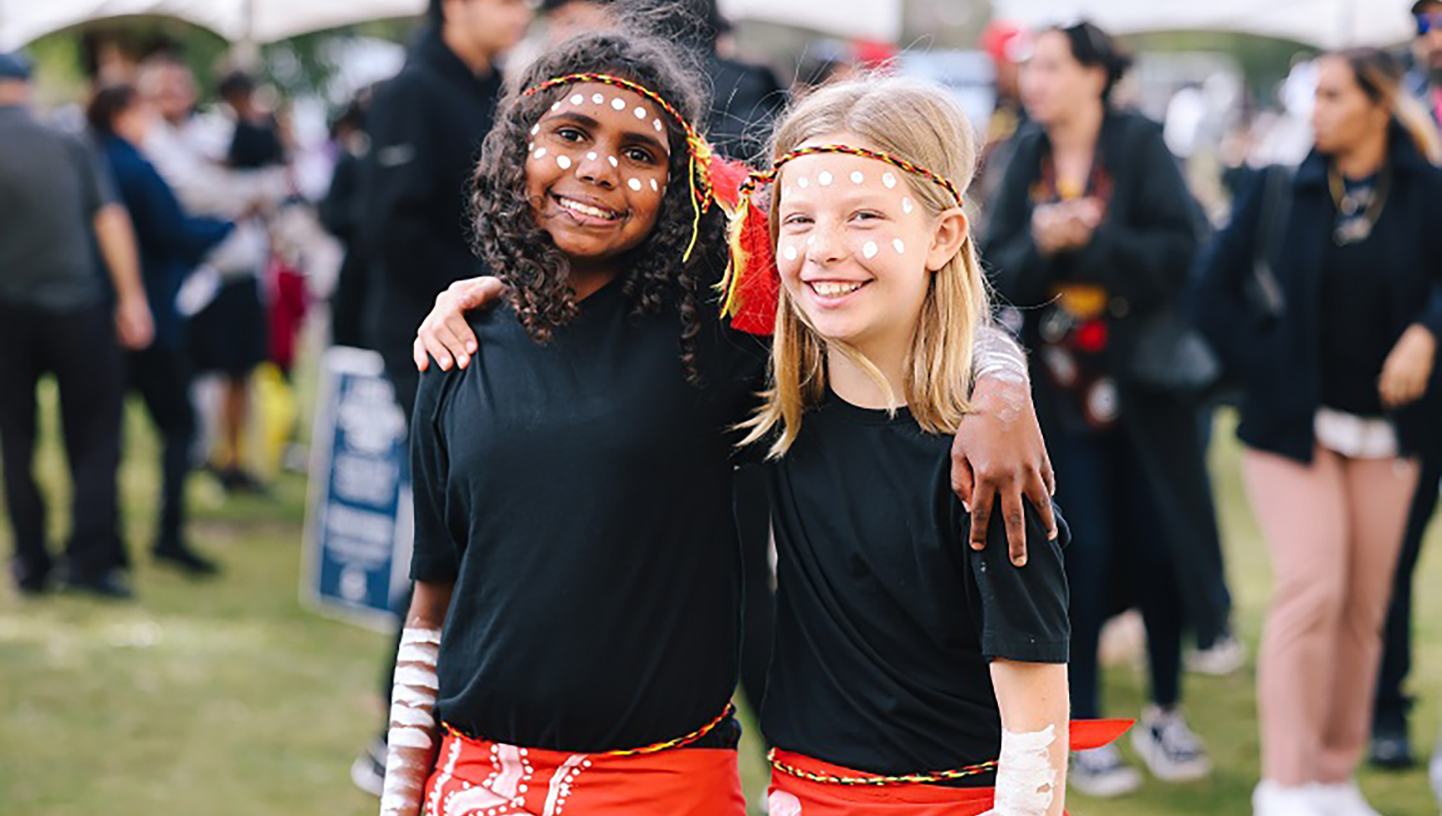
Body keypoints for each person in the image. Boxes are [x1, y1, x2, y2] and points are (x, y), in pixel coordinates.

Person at [390, 29, 1055, 816]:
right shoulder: (459, 348)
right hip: (471, 785)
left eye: (640, 153)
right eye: (570, 135)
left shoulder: (714, 345)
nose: (599, 169)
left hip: (663, 785)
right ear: (513, 149)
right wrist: (403, 795)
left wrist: (1002, 382)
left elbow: (883, 321)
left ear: (680, 188)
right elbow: (431, 605)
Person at [727, 74, 1117, 816]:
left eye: (865, 215)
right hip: (797, 795)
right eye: (800, 220)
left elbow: (1037, 738)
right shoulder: (771, 408)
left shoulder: (988, 465)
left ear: (942, 237)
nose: (824, 251)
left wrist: (999, 377)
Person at [1193, 47, 1442, 816]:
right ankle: (1287, 781)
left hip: (1391, 431)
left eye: (1334, 95)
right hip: (1291, 428)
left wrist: (1428, 331)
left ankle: (1334, 777)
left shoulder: (1429, 192)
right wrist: (1270, 369)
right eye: (1314, 95)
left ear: (1379, 101)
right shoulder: (1279, 187)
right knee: (1314, 586)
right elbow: (1211, 291)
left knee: (1367, 603)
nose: (1317, 109)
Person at [983, 20, 1217, 796]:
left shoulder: (1141, 143)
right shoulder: (1025, 151)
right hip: (1060, 395)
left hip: (1145, 391)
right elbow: (996, 270)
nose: (1035, 81)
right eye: (1029, 68)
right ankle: (1083, 728)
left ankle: (1165, 710)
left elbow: (1182, 252)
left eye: (1050, 66)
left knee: (1159, 551)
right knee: (1081, 554)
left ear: (1094, 75)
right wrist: (1047, 242)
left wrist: (1096, 238)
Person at [347, 0, 536, 796]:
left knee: (488, 521)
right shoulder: (413, 90)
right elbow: (390, 227)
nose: (521, 10)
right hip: (430, 339)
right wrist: (478, 295)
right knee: (451, 531)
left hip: (498, 336)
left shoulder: (501, 87)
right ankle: (398, 731)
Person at [0, 53, 153, 598]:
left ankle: (32, 562)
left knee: (15, 440)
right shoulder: (67, 140)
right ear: (28, 86)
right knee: (93, 435)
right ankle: (90, 561)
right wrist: (132, 298)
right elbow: (110, 220)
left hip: (8, 314)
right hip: (78, 308)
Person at [90, 83, 233, 577]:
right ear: (125, 113)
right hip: (147, 312)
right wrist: (225, 225)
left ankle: (105, 542)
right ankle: (167, 535)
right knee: (178, 427)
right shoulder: (133, 166)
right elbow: (173, 232)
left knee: (106, 435)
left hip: (105, 314)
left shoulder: (96, 159)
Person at [135, 54, 289, 495]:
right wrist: (241, 195)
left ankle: (234, 461)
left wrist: (236, 190)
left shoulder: (212, 132)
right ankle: (193, 460)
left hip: (239, 270)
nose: (174, 96)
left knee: (241, 371)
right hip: (192, 276)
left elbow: (272, 182)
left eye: (180, 86)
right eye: (163, 88)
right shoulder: (152, 141)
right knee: (193, 375)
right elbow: (187, 192)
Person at [1371, 0, 1442, 770]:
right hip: (1406, 379)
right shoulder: (1397, 102)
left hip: (1426, 340)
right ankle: (1386, 706)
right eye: (1426, 21)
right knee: (1389, 553)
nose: (1435, 35)